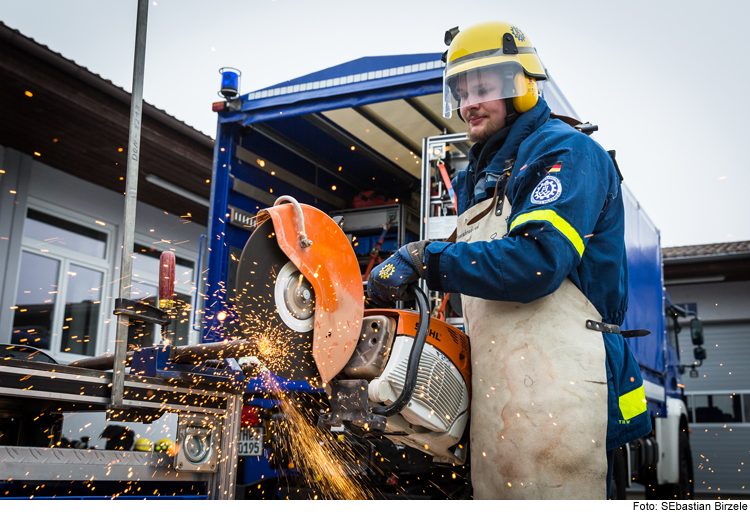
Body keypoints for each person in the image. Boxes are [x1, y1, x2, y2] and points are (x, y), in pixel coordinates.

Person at [368, 21, 651, 499]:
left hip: (564, 392)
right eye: (461, 90)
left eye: (484, 86)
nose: (469, 102)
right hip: (505, 398)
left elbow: (535, 263)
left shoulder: (567, 152)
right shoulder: (480, 175)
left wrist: (423, 256)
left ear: (520, 87)